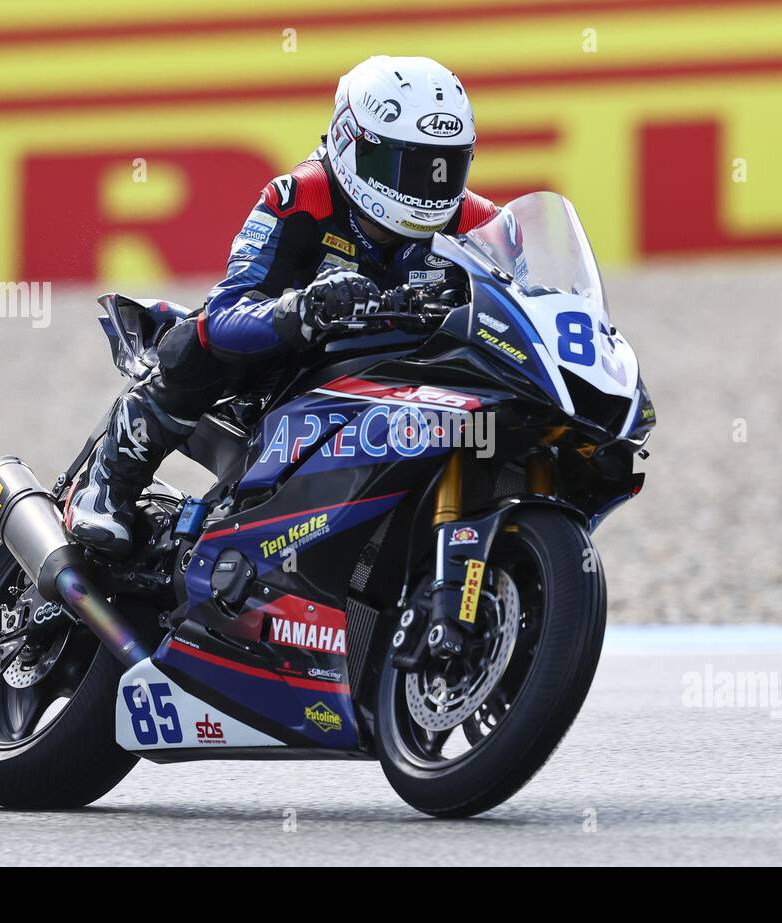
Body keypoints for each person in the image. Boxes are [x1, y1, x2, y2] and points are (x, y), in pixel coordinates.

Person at [65, 55, 500, 556]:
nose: (428, 186)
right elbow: (228, 310)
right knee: (195, 342)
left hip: (412, 386)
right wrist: (302, 311)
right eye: (409, 164)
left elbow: (530, 301)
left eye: (442, 169)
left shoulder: (478, 223)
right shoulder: (301, 198)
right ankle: (110, 481)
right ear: (351, 143)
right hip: (288, 377)